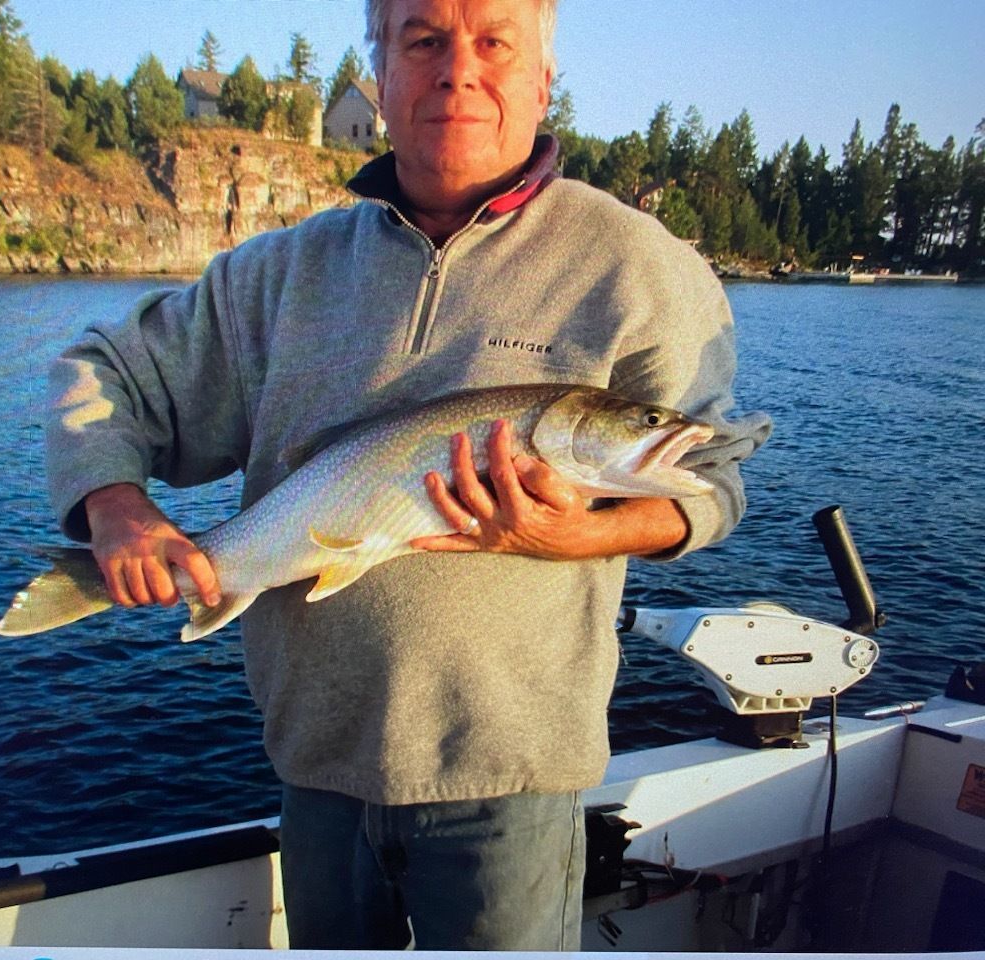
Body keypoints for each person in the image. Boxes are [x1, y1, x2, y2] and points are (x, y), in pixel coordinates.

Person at [46, 0, 769, 949]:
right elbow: (102, 370)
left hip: (509, 784)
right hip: (316, 775)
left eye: (494, 42)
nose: (457, 70)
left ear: (544, 78)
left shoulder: (639, 267)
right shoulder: (276, 275)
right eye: (424, 40)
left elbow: (713, 480)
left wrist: (578, 532)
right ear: (380, 72)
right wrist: (114, 504)